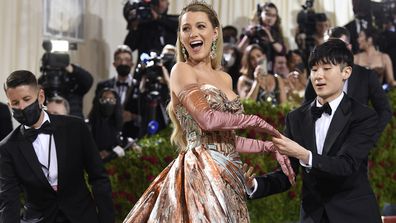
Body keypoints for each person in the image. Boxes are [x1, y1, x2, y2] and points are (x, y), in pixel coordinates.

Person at [123, 2, 294, 222]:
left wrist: (268, 146)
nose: (193, 33)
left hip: (230, 176)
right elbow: (207, 120)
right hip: (200, 174)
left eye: (200, 26)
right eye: (186, 28)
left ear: (214, 33)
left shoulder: (225, 78)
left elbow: (226, 140)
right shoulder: (181, 70)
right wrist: (255, 121)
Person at [248, 39, 382, 223]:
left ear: (346, 72)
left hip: (354, 215)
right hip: (313, 217)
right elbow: (286, 174)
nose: (319, 76)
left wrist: (304, 155)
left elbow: (346, 165)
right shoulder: (296, 118)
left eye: (326, 69)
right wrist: (254, 184)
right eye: (314, 69)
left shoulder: (363, 116)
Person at [0, 70, 115, 222]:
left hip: (82, 217)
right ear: (9, 105)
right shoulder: (7, 147)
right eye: (15, 103)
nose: (21, 107)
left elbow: (99, 178)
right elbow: (9, 200)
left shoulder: (76, 128)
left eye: (26, 99)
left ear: (40, 97)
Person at [304, 26, 392, 142]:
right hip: (323, 146)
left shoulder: (366, 76)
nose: (333, 52)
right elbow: (306, 107)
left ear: (349, 48)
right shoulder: (317, 76)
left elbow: (384, 110)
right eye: (329, 46)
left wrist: (369, 137)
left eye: (338, 46)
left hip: (354, 146)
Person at [95, 45, 141, 139]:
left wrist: (133, 117)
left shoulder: (140, 86)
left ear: (132, 64)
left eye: (127, 59)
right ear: (114, 64)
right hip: (108, 137)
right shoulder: (103, 86)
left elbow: (146, 117)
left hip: (133, 137)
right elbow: (96, 112)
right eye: (119, 59)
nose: (123, 63)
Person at [88, 88, 124, 161]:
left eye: (111, 100)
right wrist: (97, 153)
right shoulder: (89, 125)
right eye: (104, 100)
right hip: (93, 160)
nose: (107, 103)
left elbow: (122, 146)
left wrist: (110, 153)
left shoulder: (119, 124)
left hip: (113, 162)